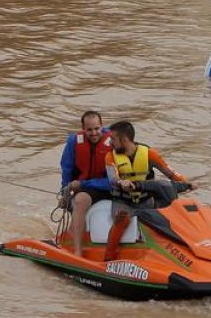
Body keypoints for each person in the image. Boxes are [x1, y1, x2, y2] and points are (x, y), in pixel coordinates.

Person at [102, 120, 190, 260]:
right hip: (123, 202)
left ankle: (170, 256)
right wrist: (121, 182)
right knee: (122, 218)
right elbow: (113, 178)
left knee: (166, 221)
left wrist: (187, 183)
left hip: (146, 201)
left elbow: (171, 173)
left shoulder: (150, 154)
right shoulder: (110, 156)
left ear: (124, 139)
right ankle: (109, 257)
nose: (110, 143)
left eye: (113, 139)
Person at [58, 111, 113, 257]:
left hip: (107, 187)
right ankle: (77, 251)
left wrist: (83, 183)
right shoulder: (73, 142)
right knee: (80, 200)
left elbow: (114, 181)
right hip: (84, 190)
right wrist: (65, 192)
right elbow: (67, 170)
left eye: (97, 128)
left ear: (102, 126)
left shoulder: (113, 142)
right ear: (83, 128)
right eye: (89, 130)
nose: (94, 133)